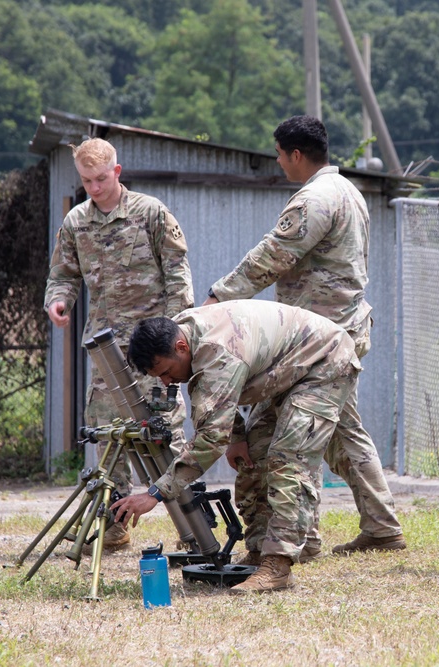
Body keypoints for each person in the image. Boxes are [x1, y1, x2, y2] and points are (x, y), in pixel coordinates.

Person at [201, 114, 404, 562]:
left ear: (295, 154)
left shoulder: (314, 199)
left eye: (279, 154)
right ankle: (381, 526)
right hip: (340, 331)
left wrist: (219, 296)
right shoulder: (348, 191)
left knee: (292, 435)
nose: (278, 162)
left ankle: (303, 538)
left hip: (314, 344)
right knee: (343, 433)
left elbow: (272, 256)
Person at [110, 300, 362, 593]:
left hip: (324, 361)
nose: (168, 381)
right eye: (160, 377)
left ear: (181, 348)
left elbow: (211, 438)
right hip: (285, 369)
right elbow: (224, 396)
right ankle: (258, 552)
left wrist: (156, 493)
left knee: (287, 460)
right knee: (252, 456)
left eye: (167, 371)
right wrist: (238, 436)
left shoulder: (217, 352)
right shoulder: (182, 333)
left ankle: (277, 564)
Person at [44, 137, 194, 551]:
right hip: (107, 352)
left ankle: (192, 529)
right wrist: (59, 302)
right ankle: (115, 526)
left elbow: (179, 274)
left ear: (117, 172)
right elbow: (62, 274)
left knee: (167, 437)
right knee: (110, 441)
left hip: (154, 349)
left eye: (100, 178)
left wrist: (179, 332)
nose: (93, 188)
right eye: (86, 180)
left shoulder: (150, 213)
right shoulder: (76, 222)